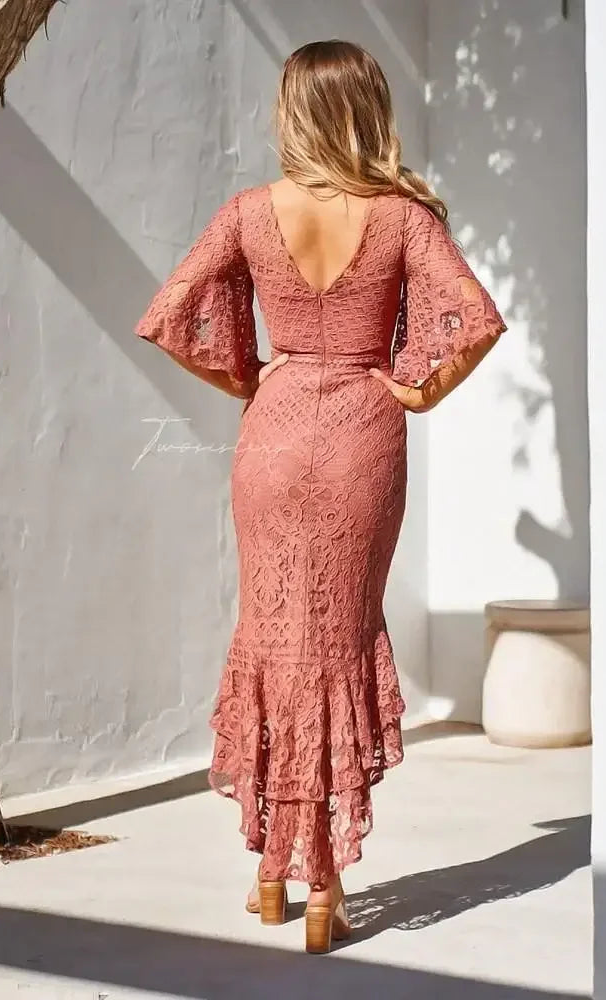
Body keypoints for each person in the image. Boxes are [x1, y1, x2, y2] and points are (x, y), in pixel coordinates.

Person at [135, 39, 507, 954]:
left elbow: (172, 313)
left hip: (275, 428)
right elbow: (476, 319)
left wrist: (249, 377)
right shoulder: (402, 218)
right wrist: (417, 388)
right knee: (335, 641)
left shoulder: (251, 213)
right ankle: (323, 888)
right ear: (368, 109)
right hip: (360, 439)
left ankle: (271, 874)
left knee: (271, 636)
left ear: (296, 111)